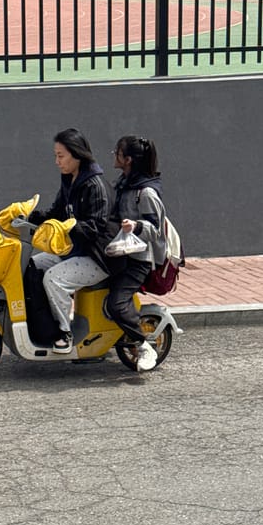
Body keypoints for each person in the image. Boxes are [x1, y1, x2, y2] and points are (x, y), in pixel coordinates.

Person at [29, 128, 111, 354]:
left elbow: (97, 228)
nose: (57, 161)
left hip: (96, 257)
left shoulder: (95, 185)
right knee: (33, 265)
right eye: (55, 155)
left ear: (77, 155)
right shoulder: (69, 179)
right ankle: (43, 323)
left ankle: (64, 333)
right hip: (73, 251)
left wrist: (72, 225)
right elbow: (57, 212)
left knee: (54, 279)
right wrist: (32, 217)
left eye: (61, 156)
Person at [106, 135, 167, 373]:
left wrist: (136, 226)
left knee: (117, 304)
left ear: (128, 159)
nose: (114, 155)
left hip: (138, 261)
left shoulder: (146, 192)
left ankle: (144, 346)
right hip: (120, 254)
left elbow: (155, 230)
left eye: (118, 152)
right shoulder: (123, 183)